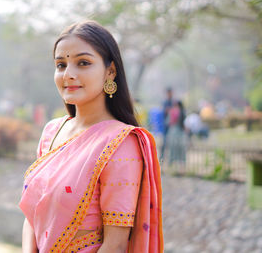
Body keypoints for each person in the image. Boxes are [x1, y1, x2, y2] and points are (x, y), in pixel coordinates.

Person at [19, 21, 163, 253]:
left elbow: (114, 245)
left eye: (83, 63)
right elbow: (33, 215)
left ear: (110, 71)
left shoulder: (120, 143)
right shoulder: (51, 133)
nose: (69, 74)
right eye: (61, 65)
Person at [166, 101, 186, 165]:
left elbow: (168, 122)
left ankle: (172, 161)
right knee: (178, 146)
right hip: (178, 131)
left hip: (174, 130)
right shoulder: (180, 111)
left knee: (174, 146)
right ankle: (180, 161)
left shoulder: (172, 111)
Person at [160, 87, 174, 160]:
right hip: (166, 125)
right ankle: (162, 157)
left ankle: (171, 159)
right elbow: (164, 112)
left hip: (172, 125)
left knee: (172, 142)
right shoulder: (165, 102)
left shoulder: (173, 102)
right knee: (164, 142)